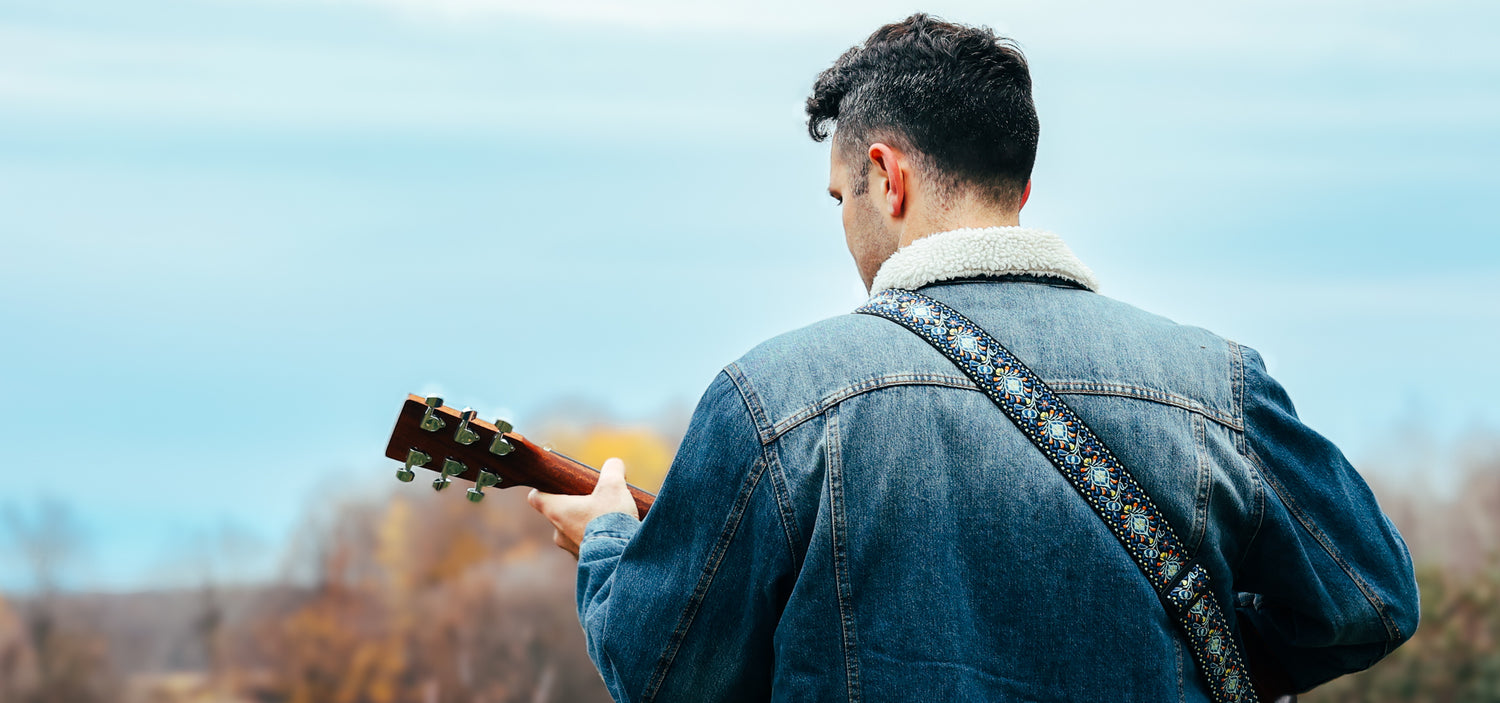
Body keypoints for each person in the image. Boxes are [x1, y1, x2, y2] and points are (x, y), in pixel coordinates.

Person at [527, 13, 1419, 702]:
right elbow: (1372, 598)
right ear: (1022, 187)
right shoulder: (1218, 385)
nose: (845, 222)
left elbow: (664, 673)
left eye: (841, 195)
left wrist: (608, 541)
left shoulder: (773, 400)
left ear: (888, 175)